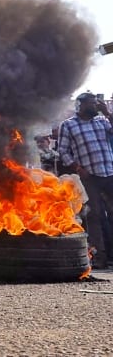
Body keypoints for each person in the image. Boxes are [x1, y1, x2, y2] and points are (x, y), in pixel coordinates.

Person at [58, 92, 113, 269]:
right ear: (80, 105)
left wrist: (108, 114)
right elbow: (63, 151)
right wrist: (78, 169)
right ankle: (100, 258)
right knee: (94, 216)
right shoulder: (68, 125)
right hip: (90, 177)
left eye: (97, 103)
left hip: (110, 172)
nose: (96, 106)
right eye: (92, 103)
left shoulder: (102, 121)